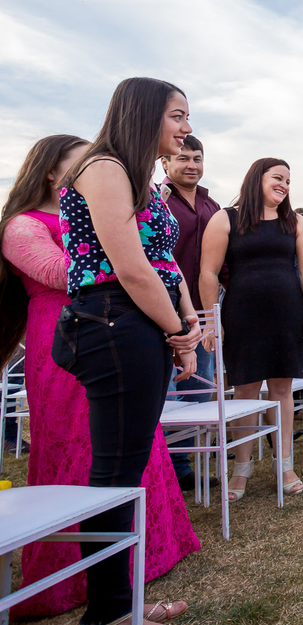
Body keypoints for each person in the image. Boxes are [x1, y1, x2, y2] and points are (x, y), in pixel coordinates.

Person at [0, 134, 199, 619]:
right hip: (71, 338)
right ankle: (73, 580)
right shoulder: (22, 225)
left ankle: (132, 565)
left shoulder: (106, 212)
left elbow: (144, 259)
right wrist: (130, 252)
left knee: (127, 453)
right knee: (81, 451)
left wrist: (137, 253)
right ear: (51, 172)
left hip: (126, 323)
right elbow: (59, 271)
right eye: (80, 163)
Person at [51, 78, 202, 624]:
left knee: (125, 472)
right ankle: (112, 613)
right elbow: (130, 266)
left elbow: (160, 261)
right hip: (115, 318)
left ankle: (121, 603)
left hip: (139, 320)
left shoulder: (134, 176)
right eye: (177, 116)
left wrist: (182, 324)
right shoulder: (105, 168)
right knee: (115, 475)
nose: (187, 129)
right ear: (143, 115)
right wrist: (180, 332)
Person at [199, 158, 303, 500]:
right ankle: (241, 469)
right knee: (246, 391)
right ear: (257, 179)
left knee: (282, 390)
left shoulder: (295, 222)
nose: (284, 184)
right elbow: (208, 273)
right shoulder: (226, 218)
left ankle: (285, 466)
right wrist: (212, 319)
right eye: (277, 178)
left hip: (287, 313)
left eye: (288, 180)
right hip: (241, 315)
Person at [160, 133, 221, 489]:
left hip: (205, 309)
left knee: (199, 388)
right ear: (165, 163)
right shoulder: (155, 199)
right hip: (161, 308)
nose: (191, 165)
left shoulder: (210, 206)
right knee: (164, 391)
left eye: (197, 158)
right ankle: (165, 465)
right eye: (183, 158)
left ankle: (184, 463)